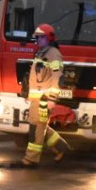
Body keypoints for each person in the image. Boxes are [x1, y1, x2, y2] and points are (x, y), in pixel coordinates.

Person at [22, 23, 71, 166]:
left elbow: (57, 76)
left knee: (37, 127)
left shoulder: (53, 54)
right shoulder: (41, 53)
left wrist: (52, 99)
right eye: (37, 38)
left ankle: (31, 159)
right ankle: (61, 148)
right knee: (38, 125)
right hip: (36, 99)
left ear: (49, 38)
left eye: (41, 37)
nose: (38, 40)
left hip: (44, 100)